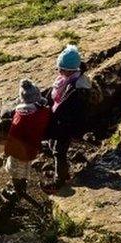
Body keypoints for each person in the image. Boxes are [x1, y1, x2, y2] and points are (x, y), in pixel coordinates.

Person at [45, 44, 91, 191]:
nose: (58, 70)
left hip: (65, 125)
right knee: (53, 146)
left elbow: (70, 111)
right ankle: (63, 171)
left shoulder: (77, 89)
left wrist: (54, 120)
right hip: (58, 121)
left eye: (60, 68)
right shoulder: (65, 80)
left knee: (59, 151)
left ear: (69, 70)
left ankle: (60, 179)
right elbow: (53, 97)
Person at [4, 79, 51, 196]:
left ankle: (17, 191)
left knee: (15, 171)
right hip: (32, 148)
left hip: (18, 150)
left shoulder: (19, 116)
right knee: (25, 168)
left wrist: (6, 150)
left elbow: (12, 135)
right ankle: (23, 187)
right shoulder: (43, 112)